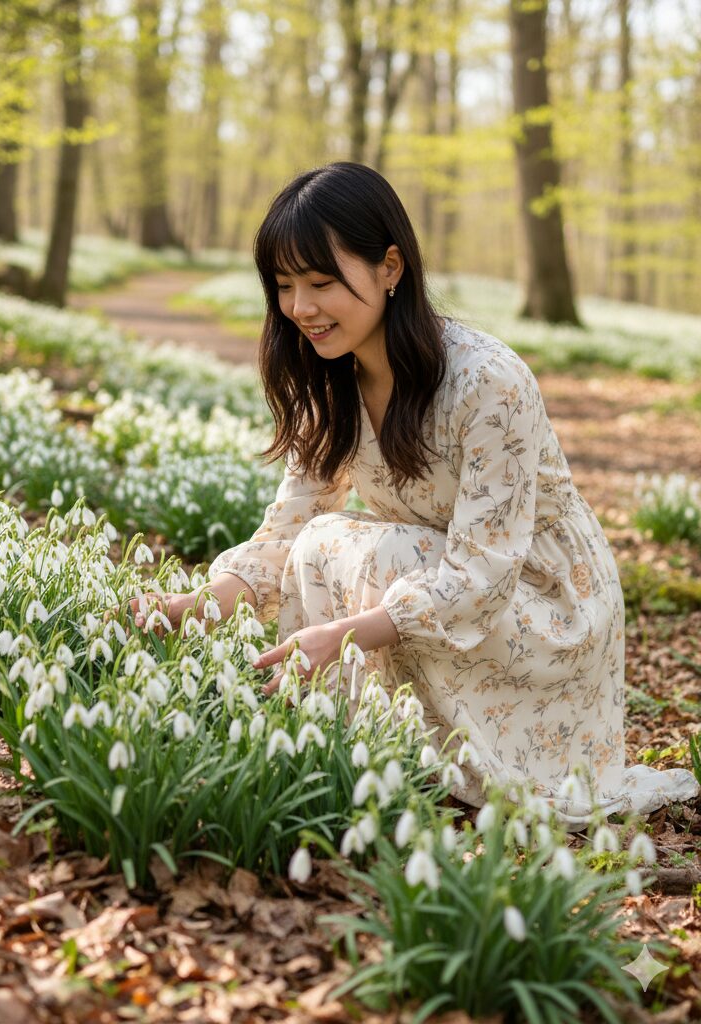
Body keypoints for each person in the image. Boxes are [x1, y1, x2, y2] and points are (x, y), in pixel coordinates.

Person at [131, 162, 698, 823]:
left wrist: (345, 634)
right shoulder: (330, 380)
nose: (300, 308)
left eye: (321, 282)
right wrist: (193, 605)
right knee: (327, 543)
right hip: (442, 581)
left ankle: (443, 762)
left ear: (391, 268)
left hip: (544, 605)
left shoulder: (487, 382)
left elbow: (485, 569)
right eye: (284, 286)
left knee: (379, 556)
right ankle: (366, 750)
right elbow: (288, 530)